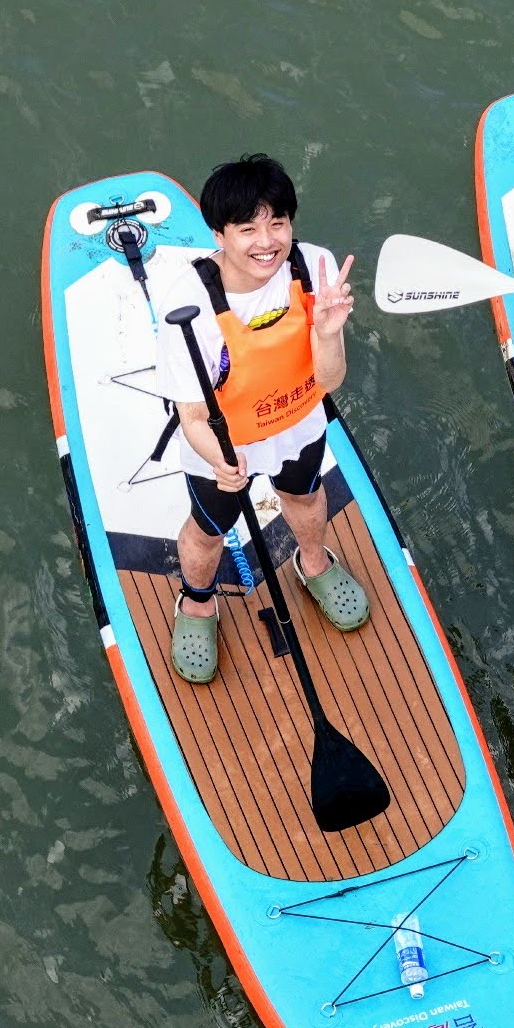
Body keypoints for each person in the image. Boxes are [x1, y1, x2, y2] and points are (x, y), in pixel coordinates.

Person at [151, 154, 369, 685]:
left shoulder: (311, 267)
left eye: (278, 223)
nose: (266, 240)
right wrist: (220, 461)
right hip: (224, 444)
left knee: (306, 498)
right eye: (247, 227)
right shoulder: (189, 305)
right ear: (218, 234)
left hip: (299, 423)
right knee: (208, 532)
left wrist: (329, 329)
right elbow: (192, 415)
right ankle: (197, 601)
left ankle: (313, 561)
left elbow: (331, 381)